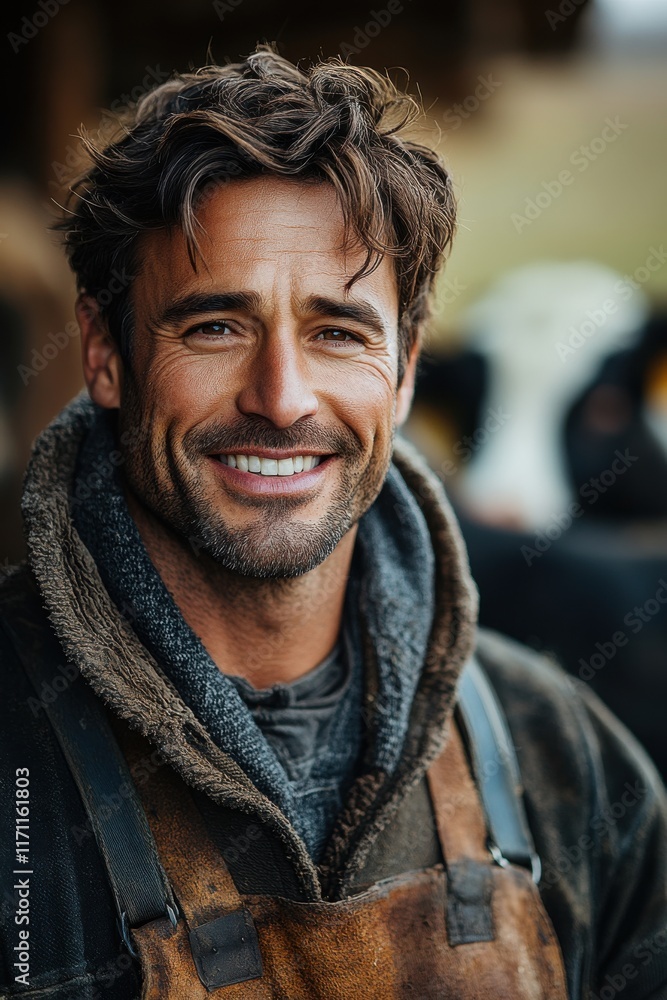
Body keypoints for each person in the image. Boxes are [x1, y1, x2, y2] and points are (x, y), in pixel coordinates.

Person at [0, 46, 665, 1000]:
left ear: (402, 374)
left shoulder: (564, 761)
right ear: (104, 355)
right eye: (214, 325)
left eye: (338, 332)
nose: (281, 397)